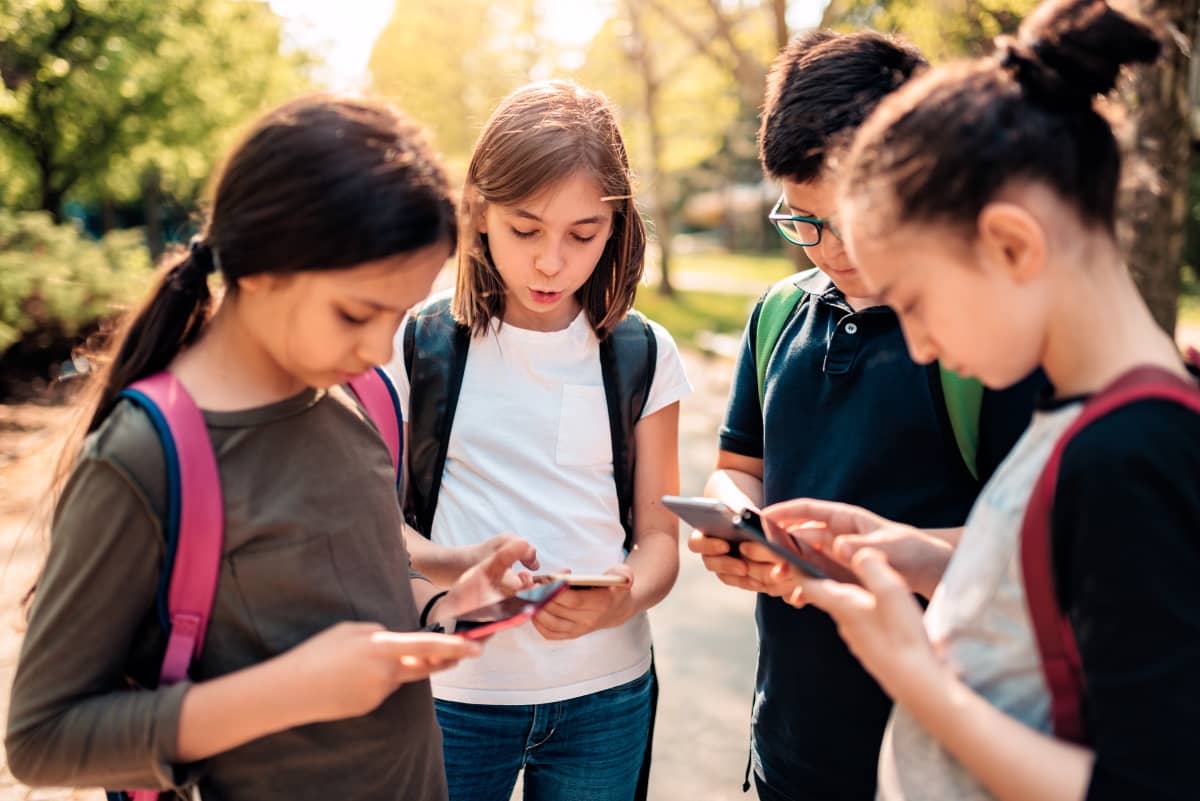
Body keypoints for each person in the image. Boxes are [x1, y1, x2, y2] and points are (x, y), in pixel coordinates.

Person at [5, 94, 537, 801]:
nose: (380, 347)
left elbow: (345, 593)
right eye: (355, 312)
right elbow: (42, 739)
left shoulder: (358, 395)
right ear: (258, 268)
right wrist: (288, 691)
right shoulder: (145, 457)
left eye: (399, 315)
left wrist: (443, 605)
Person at [763, 2, 1200, 799]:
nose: (920, 344)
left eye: (918, 300)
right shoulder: (1080, 419)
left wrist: (910, 672)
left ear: (1011, 244)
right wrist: (911, 550)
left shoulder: (1131, 454)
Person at [686, 31, 1043, 801]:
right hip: (789, 745)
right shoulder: (778, 313)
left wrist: (875, 552)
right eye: (805, 221)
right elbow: (737, 463)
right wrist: (735, 521)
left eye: (854, 221)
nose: (834, 251)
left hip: (940, 761)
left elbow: (1035, 548)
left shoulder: (983, 341)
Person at [388, 80, 691, 801]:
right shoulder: (418, 341)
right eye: (526, 230)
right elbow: (372, 522)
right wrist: (452, 579)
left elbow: (660, 540)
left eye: (583, 234)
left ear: (616, 225)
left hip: (607, 697)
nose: (552, 261)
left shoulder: (645, 353)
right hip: (450, 696)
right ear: (479, 212)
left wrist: (621, 598)